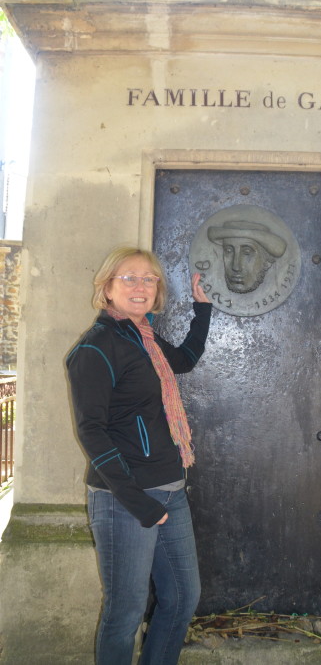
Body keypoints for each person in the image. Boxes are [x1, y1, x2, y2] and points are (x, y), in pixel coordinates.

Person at [66, 245, 211, 665]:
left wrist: (202, 310)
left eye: (149, 279)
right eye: (129, 277)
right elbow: (90, 431)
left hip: (169, 489)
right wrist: (137, 502)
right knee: (124, 613)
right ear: (107, 287)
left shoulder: (142, 337)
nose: (141, 285)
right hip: (124, 500)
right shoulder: (96, 347)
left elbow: (182, 361)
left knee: (183, 597)